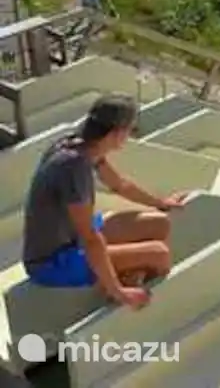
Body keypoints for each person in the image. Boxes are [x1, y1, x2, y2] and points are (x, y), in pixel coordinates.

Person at [22, 94, 186, 306]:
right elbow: (90, 238)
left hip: (71, 240)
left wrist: (161, 203)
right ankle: (117, 291)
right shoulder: (74, 167)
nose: (131, 135)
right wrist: (118, 291)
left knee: (159, 223)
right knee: (159, 255)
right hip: (52, 262)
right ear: (115, 133)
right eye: (131, 129)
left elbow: (119, 184)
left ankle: (129, 274)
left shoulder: (82, 145)